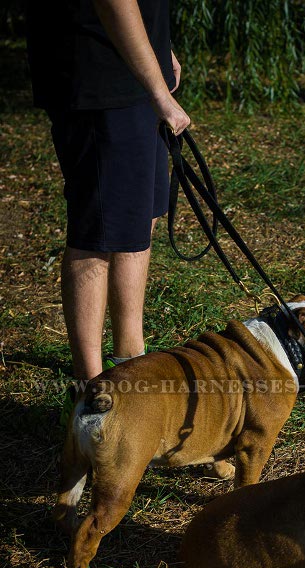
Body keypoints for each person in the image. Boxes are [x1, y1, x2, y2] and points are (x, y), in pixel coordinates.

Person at [26, 0, 190, 397]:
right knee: (97, 234)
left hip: (130, 73)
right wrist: (158, 89)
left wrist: (157, 51)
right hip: (100, 81)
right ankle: (91, 390)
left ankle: (129, 361)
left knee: (139, 218)